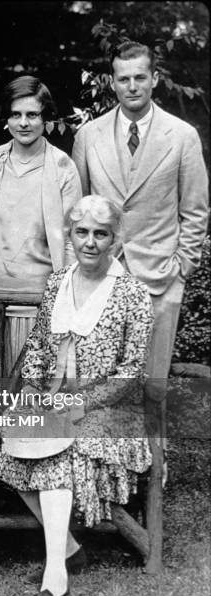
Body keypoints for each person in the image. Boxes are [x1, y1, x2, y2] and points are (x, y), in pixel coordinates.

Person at [0, 195, 154, 596]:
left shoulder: (133, 295)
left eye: (101, 234)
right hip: (53, 401)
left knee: (62, 453)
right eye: (81, 232)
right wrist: (29, 390)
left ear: (116, 240)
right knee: (10, 445)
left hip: (111, 412)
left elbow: (130, 371)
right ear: (70, 235)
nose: (90, 242)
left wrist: (85, 403)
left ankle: (55, 579)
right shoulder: (56, 285)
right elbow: (39, 353)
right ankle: (66, 548)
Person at [71, 40, 209, 406]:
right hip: (101, 278)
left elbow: (195, 210)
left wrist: (183, 267)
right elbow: (78, 209)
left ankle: (155, 464)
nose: (132, 86)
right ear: (112, 82)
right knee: (98, 388)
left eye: (140, 77)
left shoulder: (182, 136)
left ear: (155, 79)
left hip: (161, 279)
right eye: (123, 78)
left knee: (152, 390)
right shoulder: (88, 136)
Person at [0, 75, 82, 373]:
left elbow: (71, 241)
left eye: (32, 114)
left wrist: (63, 303)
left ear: (46, 118)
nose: (24, 123)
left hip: (37, 305)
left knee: (28, 406)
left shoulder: (62, 166)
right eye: (15, 114)